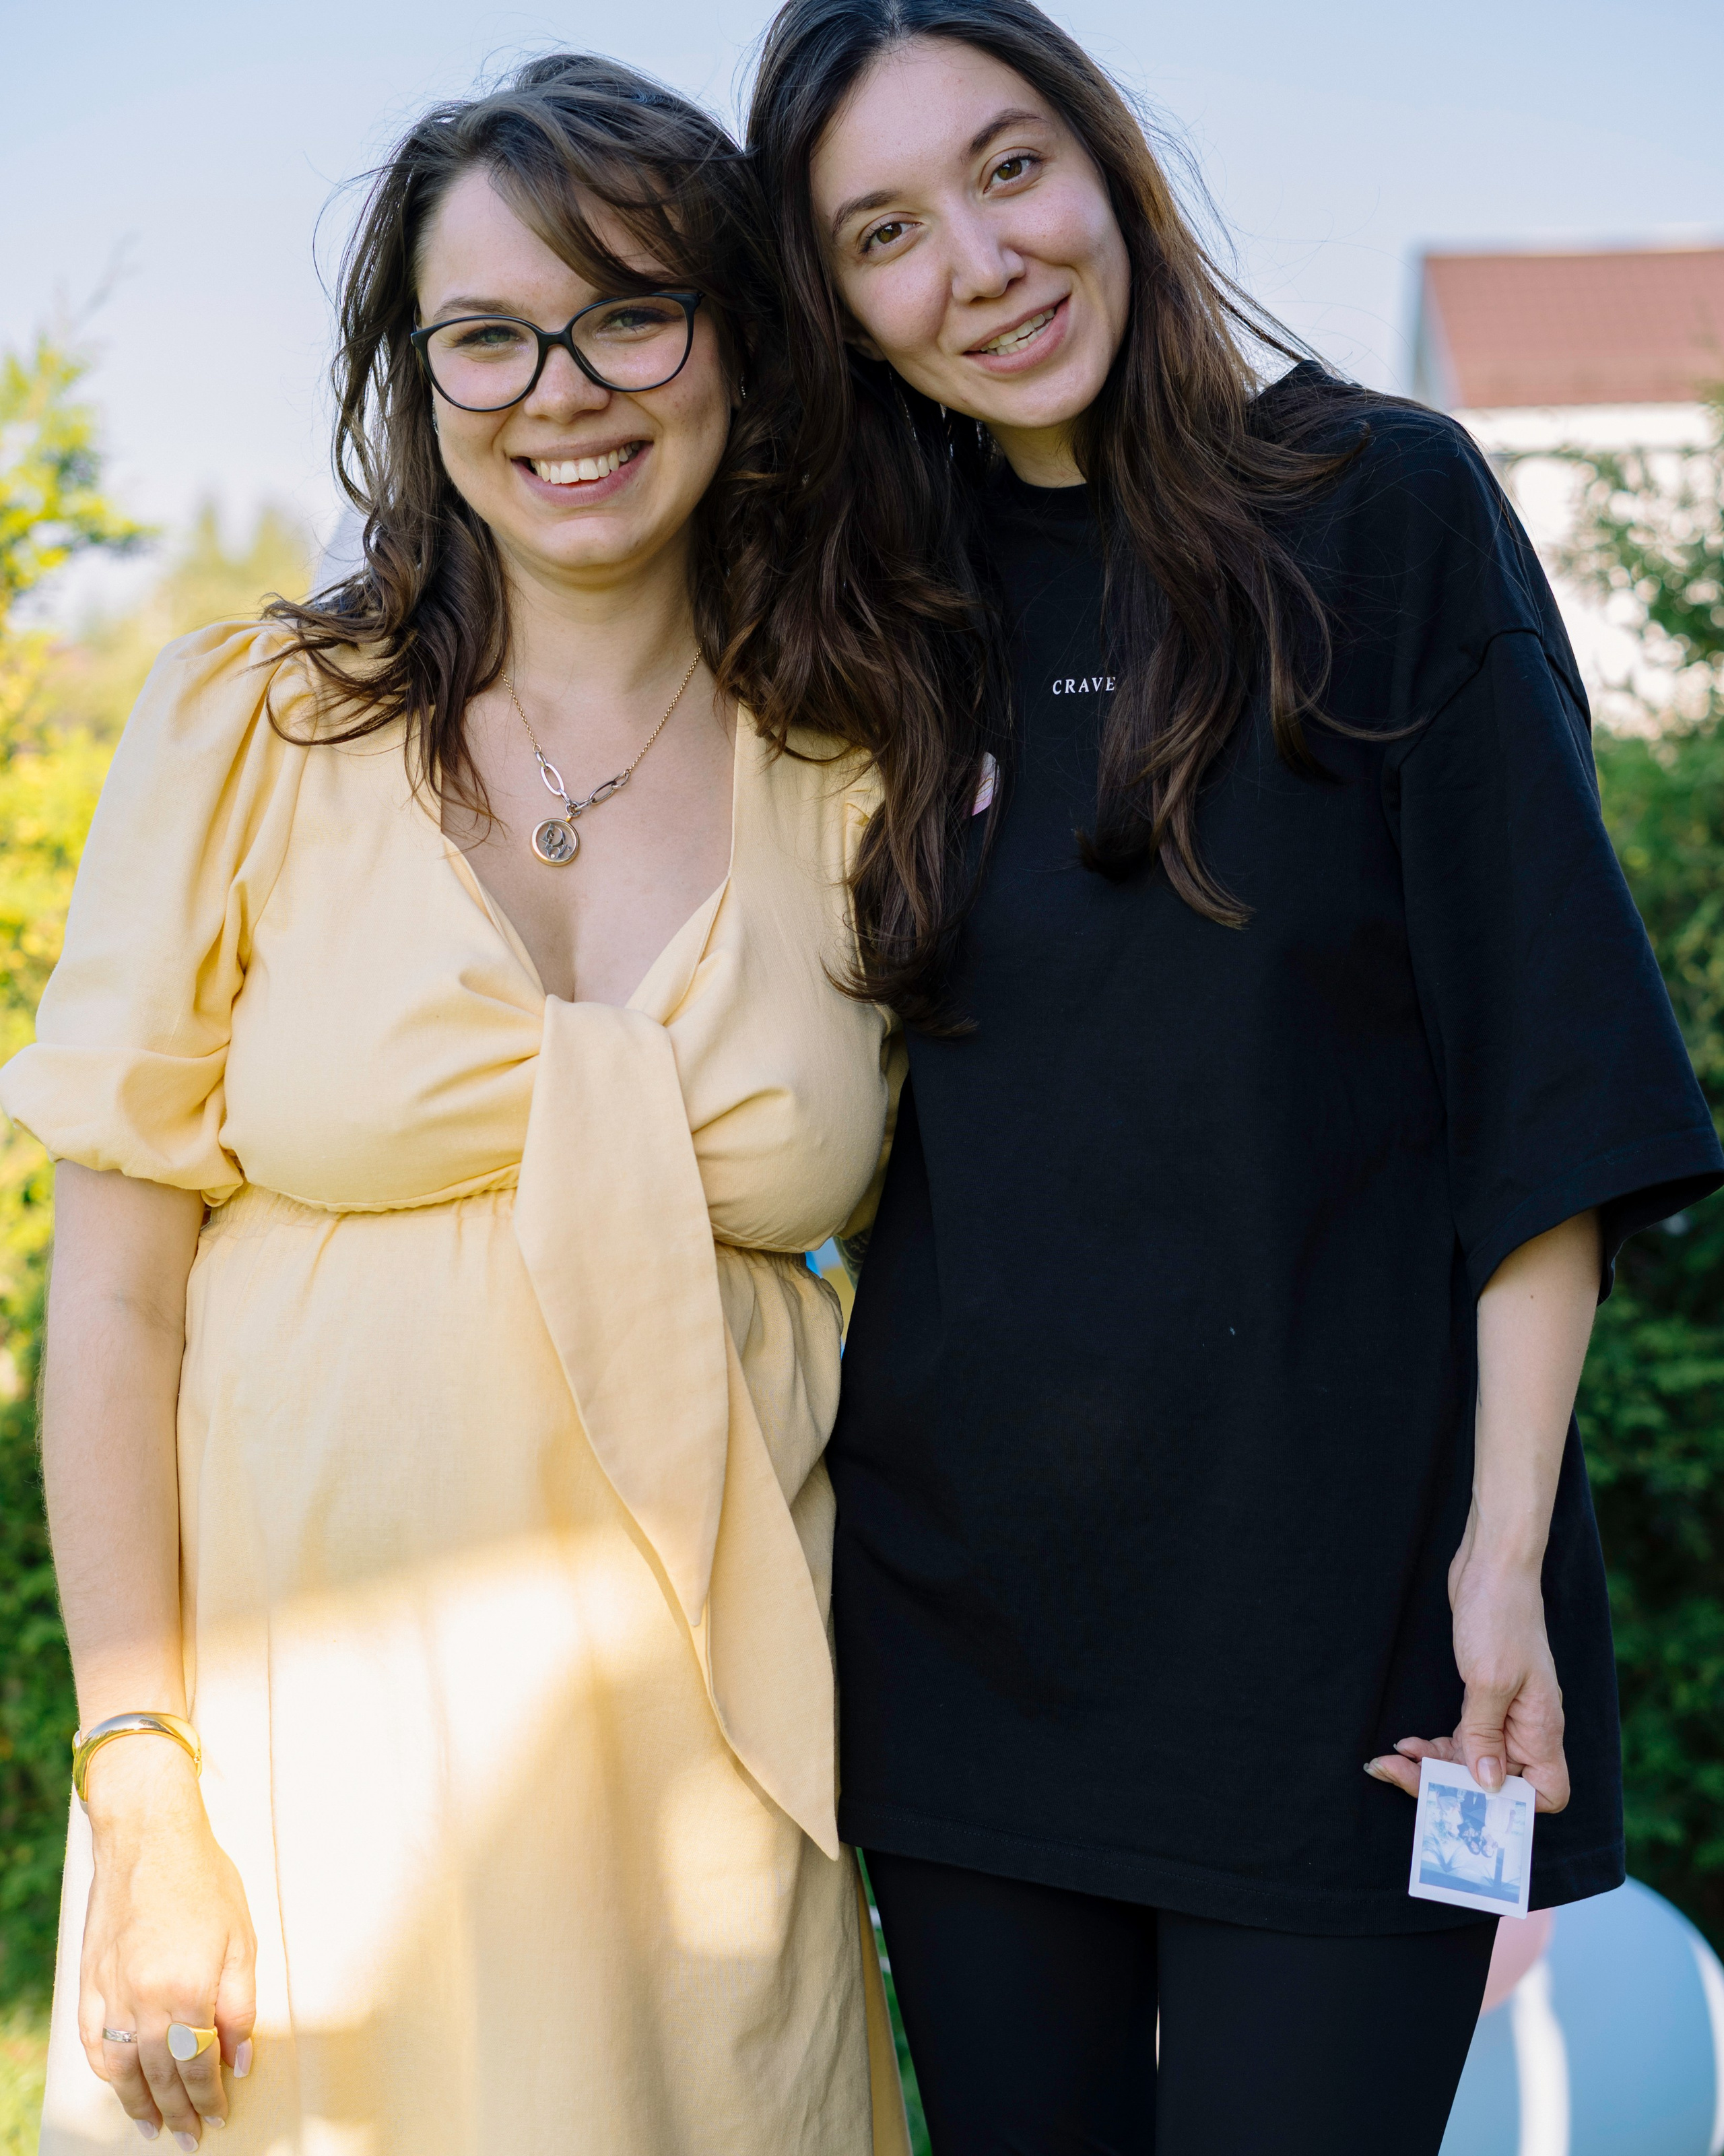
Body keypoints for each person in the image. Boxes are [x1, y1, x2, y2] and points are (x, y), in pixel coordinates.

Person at [742, 3, 1724, 2148]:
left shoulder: (1383, 510)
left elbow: (1549, 1085)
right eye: (884, 230)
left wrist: (1504, 1554)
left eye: (1009, 169)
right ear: (835, 310)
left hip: (1371, 1641)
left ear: (1106, 163)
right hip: (969, 1644)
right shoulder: (866, 623)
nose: (978, 262)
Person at [4, 56, 908, 2156]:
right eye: (485, 334)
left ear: (742, 340)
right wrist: (142, 1777)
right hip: (300, 1792)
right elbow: (116, 1312)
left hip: (704, 1821)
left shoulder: (863, 765)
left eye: (628, 311)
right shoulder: (247, 724)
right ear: (413, 379)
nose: (558, 388)